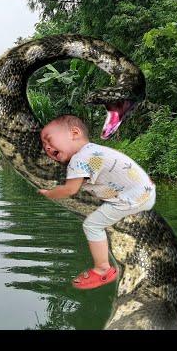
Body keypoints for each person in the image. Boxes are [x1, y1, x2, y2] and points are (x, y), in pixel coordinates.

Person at [38, 114, 156, 290]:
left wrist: (50, 193)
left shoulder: (78, 160)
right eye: (44, 146)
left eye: (49, 139)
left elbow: (70, 190)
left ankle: (103, 269)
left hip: (131, 200)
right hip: (146, 192)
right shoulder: (94, 150)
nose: (47, 147)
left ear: (75, 133)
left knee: (92, 225)